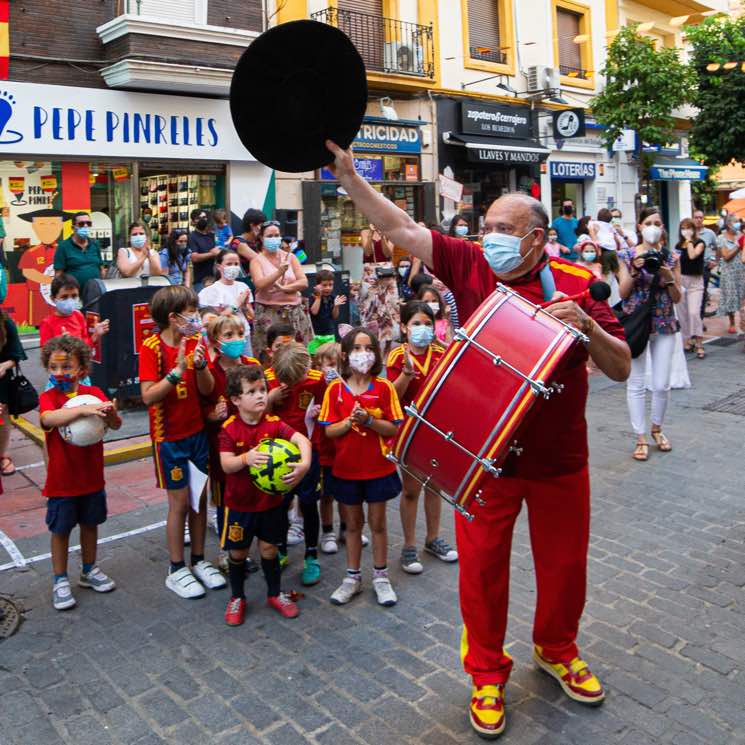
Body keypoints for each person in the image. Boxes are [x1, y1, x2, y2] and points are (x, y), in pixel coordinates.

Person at [325, 139, 630, 738]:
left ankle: (557, 648)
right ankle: (486, 673)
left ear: (537, 238)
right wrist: (350, 180)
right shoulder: (470, 265)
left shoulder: (575, 282)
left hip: (561, 460)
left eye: (502, 228)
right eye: (486, 224)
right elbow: (405, 228)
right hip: (483, 459)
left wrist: (588, 325)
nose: (487, 235)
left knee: (565, 567)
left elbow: (620, 366)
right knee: (482, 572)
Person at [139, 285, 226, 599]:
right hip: (169, 439)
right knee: (178, 504)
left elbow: (207, 389)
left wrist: (200, 366)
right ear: (174, 318)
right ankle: (176, 568)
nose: (196, 317)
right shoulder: (151, 347)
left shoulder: (196, 342)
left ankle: (199, 560)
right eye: (191, 311)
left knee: (199, 500)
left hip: (197, 435)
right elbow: (148, 396)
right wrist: (176, 372)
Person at [219, 364, 311, 625]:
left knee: (270, 549)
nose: (261, 395)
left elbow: (302, 441)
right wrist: (246, 458)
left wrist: (304, 464)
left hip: (270, 504)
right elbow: (226, 465)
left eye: (263, 389)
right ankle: (237, 596)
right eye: (252, 391)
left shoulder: (274, 424)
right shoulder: (229, 429)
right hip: (239, 505)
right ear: (236, 400)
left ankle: (274, 593)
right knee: (237, 553)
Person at [320, 327, 404, 608]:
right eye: (356, 348)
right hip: (346, 470)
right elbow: (328, 431)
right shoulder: (335, 389)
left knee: (378, 523)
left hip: (378, 468)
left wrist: (368, 421)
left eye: (368, 348)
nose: (362, 354)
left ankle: (381, 577)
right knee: (353, 524)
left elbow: (392, 427)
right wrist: (348, 423)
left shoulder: (384, 387)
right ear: (345, 355)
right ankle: (352, 578)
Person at [39, 335, 121, 610]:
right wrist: (83, 409)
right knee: (61, 530)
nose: (60, 372)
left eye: (66, 366)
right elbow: (47, 419)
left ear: (82, 369)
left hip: (91, 478)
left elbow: (116, 425)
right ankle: (60, 579)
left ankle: (89, 570)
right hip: (62, 482)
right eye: (54, 367)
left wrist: (109, 412)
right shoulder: (49, 397)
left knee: (90, 524)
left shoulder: (95, 394)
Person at [387, 300, 456, 573]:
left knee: (435, 486)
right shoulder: (397, 357)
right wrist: (405, 375)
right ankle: (408, 545)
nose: (422, 329)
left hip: (436, 430)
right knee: (411, 490)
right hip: (409, 431)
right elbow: (391, 395)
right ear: (404, 327)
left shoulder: (442, 352)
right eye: (416, 324)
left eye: (428, 324)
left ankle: (433, 538)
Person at [618, 207, 681, 462]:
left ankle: (657, 428)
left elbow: (677, 297)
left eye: (658, 222)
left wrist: (667, 276)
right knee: (636, 383)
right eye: (648, 222)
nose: (653, 227)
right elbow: (622, 294)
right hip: (637, 323)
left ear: (663, 228)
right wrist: (634, 271)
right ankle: (640, 436)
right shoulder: (626, 255)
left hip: (664, 320)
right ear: (640, 227)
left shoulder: (672, 257)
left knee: (661, 383)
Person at [265, 342, 326, 584]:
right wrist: (271, 398)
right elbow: (260, 415)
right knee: (280, 504)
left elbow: (326, 409)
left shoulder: (317, 379)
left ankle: (311, 555)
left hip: (309, 451)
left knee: (309, 504)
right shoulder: (270, 379)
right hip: (279, 454)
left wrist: (320, 412)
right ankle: (280, 549)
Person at [202, 314, 260, 562]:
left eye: (239, 334)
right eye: (228, 335)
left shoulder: (252, 364)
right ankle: (229, 552)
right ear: (215, 341)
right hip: (222, 452)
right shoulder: (210, 373)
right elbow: (202, 406)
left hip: (252, 446)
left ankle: (250, 545)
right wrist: (212, 415)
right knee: (226, 500)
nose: (236, 340)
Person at [250, 220, 312, 354]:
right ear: (261, 238)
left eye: (276, 235)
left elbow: (303, 282)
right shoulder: (257, 261)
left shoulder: (291, 257)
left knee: (297, 353)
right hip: (269, 314)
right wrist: (279, 272)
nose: (274, 239)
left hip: (293, 313)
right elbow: (259, 284)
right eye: (270, 236)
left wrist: (284, 289)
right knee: (270, 353)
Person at [311, 341, 342, 554]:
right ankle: (328, 530)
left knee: (348, 493)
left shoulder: (347, 383)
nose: (333, 370)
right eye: (329, 364)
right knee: (326, 493)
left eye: (338, 365)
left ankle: (349, 528)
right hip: (324, 448)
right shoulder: (316, 386)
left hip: (344, 448)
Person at [197, 249, 255, 356]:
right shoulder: (213, 290)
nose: (233, 267)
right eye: (229, 264)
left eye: (236, 264)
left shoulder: (243, 287)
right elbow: (216, 319)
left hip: (243, 334)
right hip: (224, 337)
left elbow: (251, 316)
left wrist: (245, 306)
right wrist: (236, 304)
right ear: (219, 266)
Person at [40, 274, 110, 350]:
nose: (70, 300)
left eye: (74, 296)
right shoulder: (48, 323)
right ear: (53, 298)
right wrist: (60, 346)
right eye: (64, 297)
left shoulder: (78, 316)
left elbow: (85, 347)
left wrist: (96, 334)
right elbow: (45, 354)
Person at [0, 309, 27, 476]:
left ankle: (3, 455)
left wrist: (3, 366)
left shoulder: (5, 322)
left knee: (1, 418)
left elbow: (16, 354)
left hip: (1, 380)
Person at [675, 218, 706, 359]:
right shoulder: (678, 245)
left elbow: (693, 255)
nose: (685, 230)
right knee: (682, 314)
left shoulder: (699, 243)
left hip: (695, 282)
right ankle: (686, 340)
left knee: (694, 312)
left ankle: (699, 343)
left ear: (693, 229)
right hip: (682, 280)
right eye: (683, 228)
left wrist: (689, 241)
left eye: (688, 228)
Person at [53, 212, 104, 294]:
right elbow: (58, 275)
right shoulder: (63, 246)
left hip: (95, 293)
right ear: (73, 227)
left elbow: (101, 269)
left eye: (88, 223)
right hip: (73, 295)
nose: (85, 226)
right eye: (81, 224)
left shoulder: (95, 244)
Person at [715, 215, 745, 334]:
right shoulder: (721, 238)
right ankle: (732, 322)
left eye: (738, 221)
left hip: (742, 271)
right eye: (735, 221)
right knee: (730, 297)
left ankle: (742, 321)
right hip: (729, 272)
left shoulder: (741, 235)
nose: (738, 223)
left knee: (743, 296)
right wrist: (738, 245)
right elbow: (726, 256)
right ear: (728, 224)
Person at [692, 209, 717, 318]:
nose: (698, 220)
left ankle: (700, 320)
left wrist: (715, 260)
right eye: (696, 217)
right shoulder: (689, 233)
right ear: (693, 219)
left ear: (703, 219)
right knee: (692, 295)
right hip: (691, 268)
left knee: (702, 294)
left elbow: (717, 248)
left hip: (705, 267)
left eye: (700, 217)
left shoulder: (710, 233)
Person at [310, 269, 346, 339]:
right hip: (315, 334)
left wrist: (336, 306)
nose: (328, 288)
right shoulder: (314, 297)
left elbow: (335, 316)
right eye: (324, 285)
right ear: (318, 285)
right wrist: (319, 297)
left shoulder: (333, 297)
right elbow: (314, 312)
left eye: (330, 285)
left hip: (329, 333)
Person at [188, 209, 218, 292]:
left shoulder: (211, 235)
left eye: (204, 217)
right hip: (200, 281)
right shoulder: (192, 237)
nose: (202, 220)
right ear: (193, 222)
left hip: (214, 279)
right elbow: (194, 257)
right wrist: (212, 254)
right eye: (198, 218)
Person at [230, 207, 265, 274]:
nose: (263, 229)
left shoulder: (257, 240)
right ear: (252, 225)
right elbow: (260, 261)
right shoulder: (238, 242)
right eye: (261, 226)